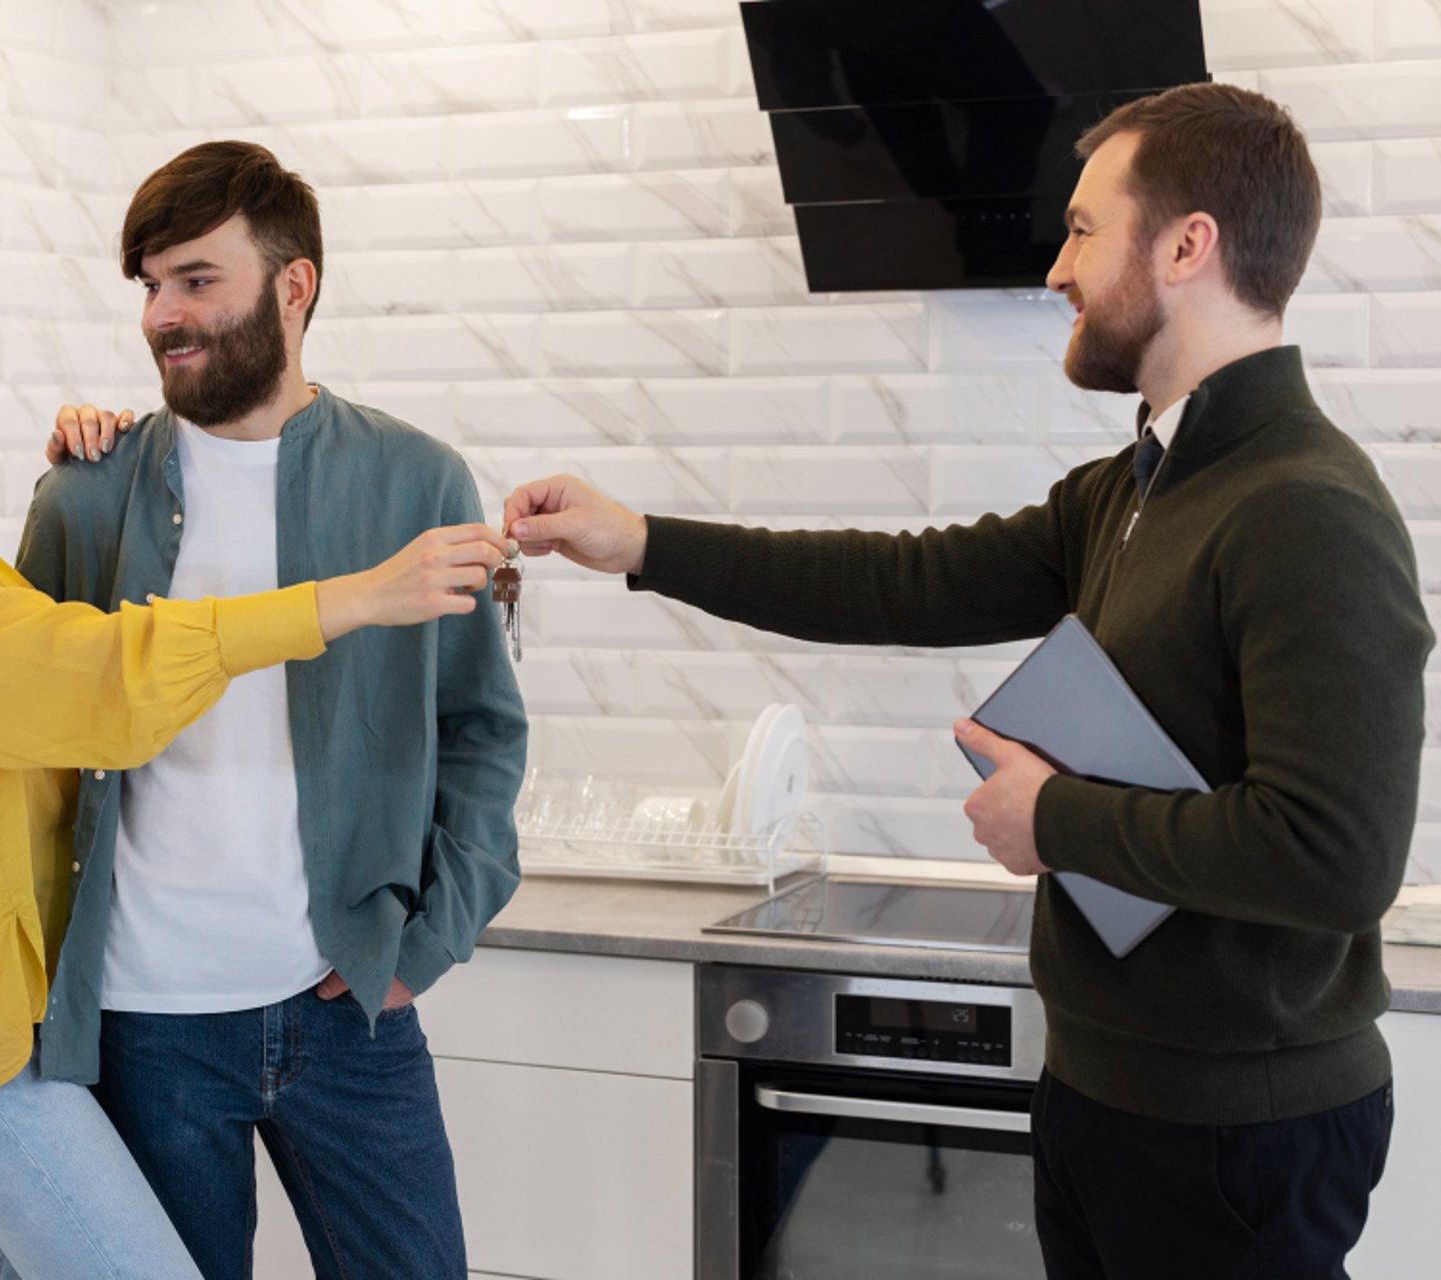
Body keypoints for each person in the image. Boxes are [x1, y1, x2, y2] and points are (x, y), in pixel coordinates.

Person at [504, 82, 1426, 1278]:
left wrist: (1056, 817)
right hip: (1105, 1089)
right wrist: (644, 543)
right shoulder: (1135, 487)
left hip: (1234, 1129)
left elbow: (1337, 858)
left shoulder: (1306, 505)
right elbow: (907, 581)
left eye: (1086, 228)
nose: (1056, 267)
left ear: (1190, 245)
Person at [0, 221, 512, 1280]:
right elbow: (89, 677)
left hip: (47, 1005)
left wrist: (431, 931)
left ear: (295, 287)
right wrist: (351, 597)